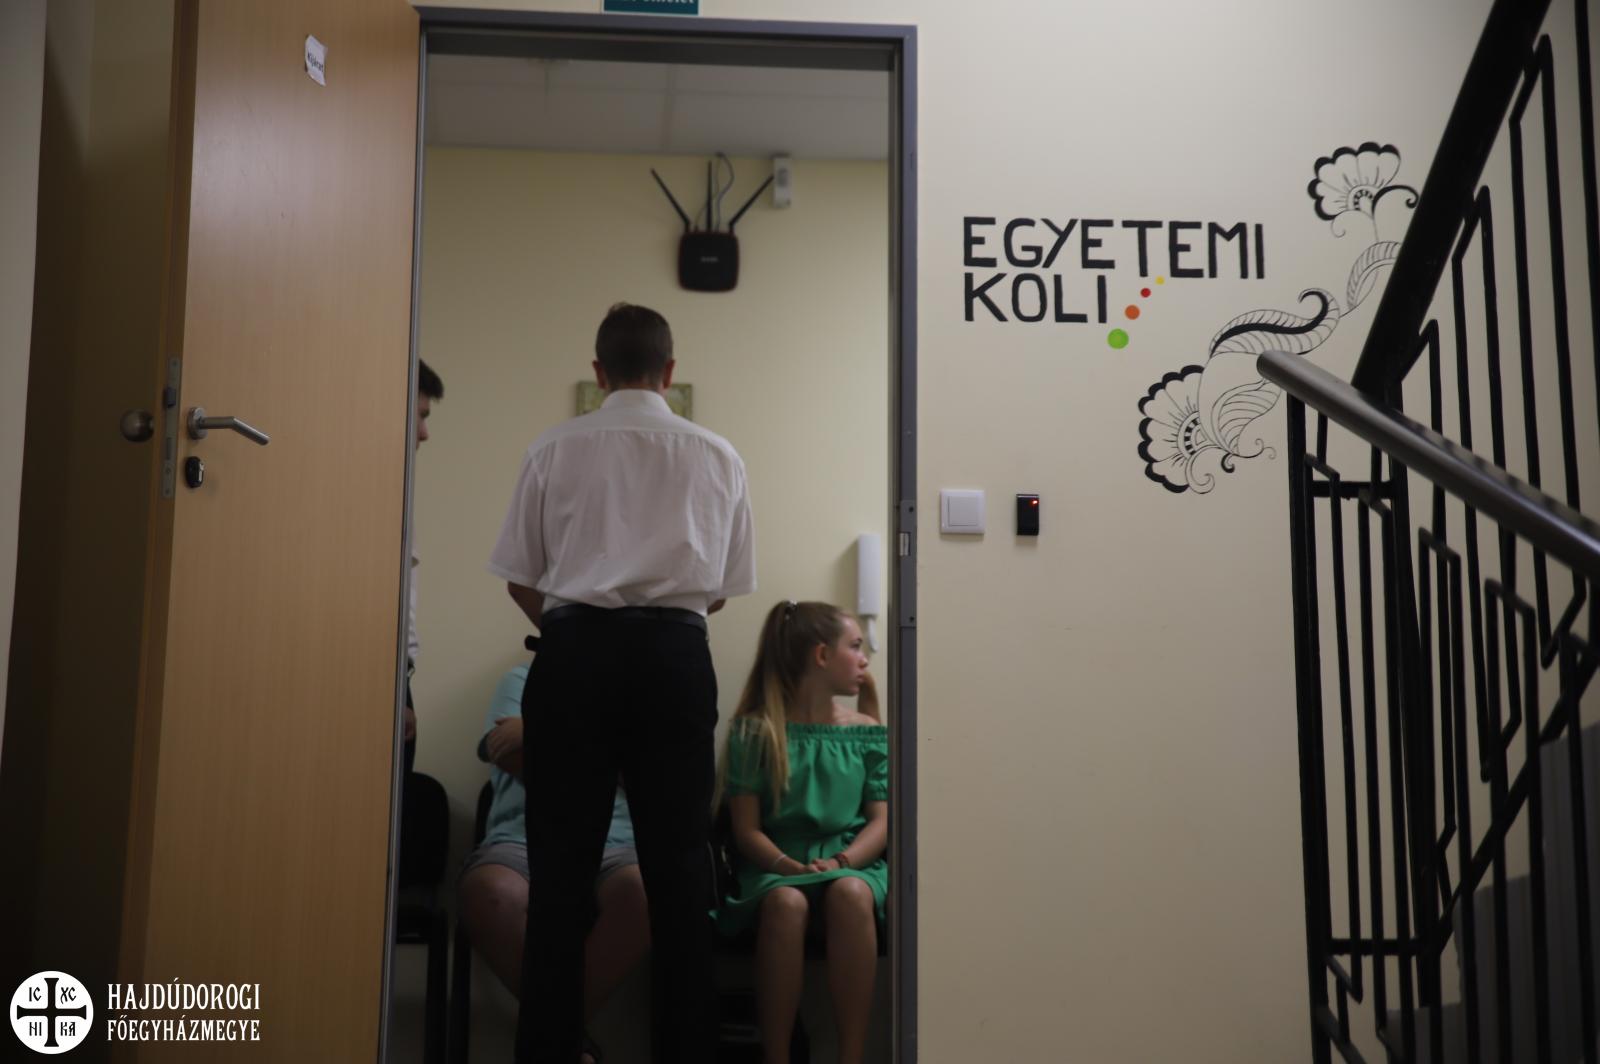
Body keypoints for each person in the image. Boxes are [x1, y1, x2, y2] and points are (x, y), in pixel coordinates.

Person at [488, 302, 756, 1063]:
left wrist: (576, 630)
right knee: (680, 875)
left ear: (598, 371)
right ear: (669, 371)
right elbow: (720, 590)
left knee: (559, 874)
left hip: (574, 659)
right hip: (675, 659)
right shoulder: (718, 454)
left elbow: (520, 577)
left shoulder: (551, 447)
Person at [718, 600, 889, 1064]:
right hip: (776, 865)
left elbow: (881, 821)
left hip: (852, 860)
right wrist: (787, 866)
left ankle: (851, 1056)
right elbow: (746, 830)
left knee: (851, 894)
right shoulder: (756, 732)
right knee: (785, 904)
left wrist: (842, 861)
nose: (864, 660)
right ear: (821, 656)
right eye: (855, 647)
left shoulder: (865, 731)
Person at [459, 664, 649, 1064]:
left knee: (647, 895)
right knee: (490, 894)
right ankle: (571, 1044)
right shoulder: (521, 678)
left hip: (617, 842)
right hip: (522, 839)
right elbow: (509, 754)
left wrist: (540, 731)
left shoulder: (634, 684)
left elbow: (650, 771)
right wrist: (606, 745)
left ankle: (552, 1045)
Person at [402, 358, 444, 771]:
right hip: (380, 682)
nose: (425, 433)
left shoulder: (395, 486)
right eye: (421, 415)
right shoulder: (378, 493)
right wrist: (395, 695)